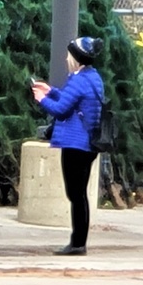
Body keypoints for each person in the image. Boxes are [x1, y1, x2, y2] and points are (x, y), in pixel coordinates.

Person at [32, 37, 104, 256]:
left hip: (75, 144)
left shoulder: (78, 80)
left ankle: (77, 243)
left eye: (68, 55)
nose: (65, 58)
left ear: (77, 58)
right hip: (88, 144)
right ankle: (78, 240)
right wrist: (51, 90)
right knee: (79, 193)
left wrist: (41, 99)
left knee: (75, 194)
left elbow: (61, 110)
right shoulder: (93, 77)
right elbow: (72, 100)